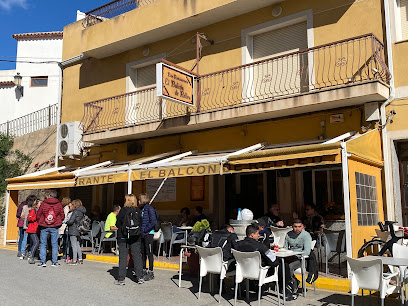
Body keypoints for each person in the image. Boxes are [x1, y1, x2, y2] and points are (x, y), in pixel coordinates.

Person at [115, 194, 143, 285]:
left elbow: (118, 224)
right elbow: (141, 223)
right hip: (136, 236)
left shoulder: (123, 211)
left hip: (123, 236)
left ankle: (121, 279)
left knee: (123, 256)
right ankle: (140, 277)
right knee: (137, 256)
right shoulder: (137, 211)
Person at [283, 218, 312, 295]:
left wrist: (294, 254)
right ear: (292, 226)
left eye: (299, 226)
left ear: (302, 226)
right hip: (290, 257)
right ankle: (291, 281)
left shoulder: (306, 235)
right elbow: (285, 248)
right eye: (295, 226)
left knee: (288, 266)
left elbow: (307, 252)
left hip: (301, 259)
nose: (297, 229)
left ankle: (292, 284)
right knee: (279, 264)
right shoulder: (288, 234)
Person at [36, 189, 65, 267]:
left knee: (43, 244)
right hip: (54, 227)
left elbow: (38, 214)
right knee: (54, 244)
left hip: (44, 226)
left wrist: (40, 222)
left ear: (49, 196)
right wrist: (58, 222)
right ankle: (54, 262)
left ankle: (43, 261)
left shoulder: (44, 204)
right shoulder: (59, 204)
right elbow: (62, 215)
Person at [138, 193, 157, 281]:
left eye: (139, 200)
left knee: (149, 252)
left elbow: (153, 221)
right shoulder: (142, 209)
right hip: (142, 234)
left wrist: (145, 229)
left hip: (148, 233)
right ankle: (143, 270)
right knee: (143, 253)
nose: (138, 201)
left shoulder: (150, 208)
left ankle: (151, 271)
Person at [66, 199, 86, 265]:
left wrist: (67, 222)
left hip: (73, 229)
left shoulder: (75, 212)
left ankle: (74, 260)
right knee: (77, 245)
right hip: (79, 230)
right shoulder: (82, 212)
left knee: (73, 245)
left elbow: (71, 221)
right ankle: (80, 259)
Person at [26, 199, 41, 264]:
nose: (41, 205)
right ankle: (31, 256)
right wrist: (37, 218)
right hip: (32, 229)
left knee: (35, 243)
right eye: (40, 204)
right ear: (36, 205)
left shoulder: (39, 211)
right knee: (36, 242)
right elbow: (30, 218)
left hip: (37, 229)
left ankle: (32, 255)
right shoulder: (33, 211)